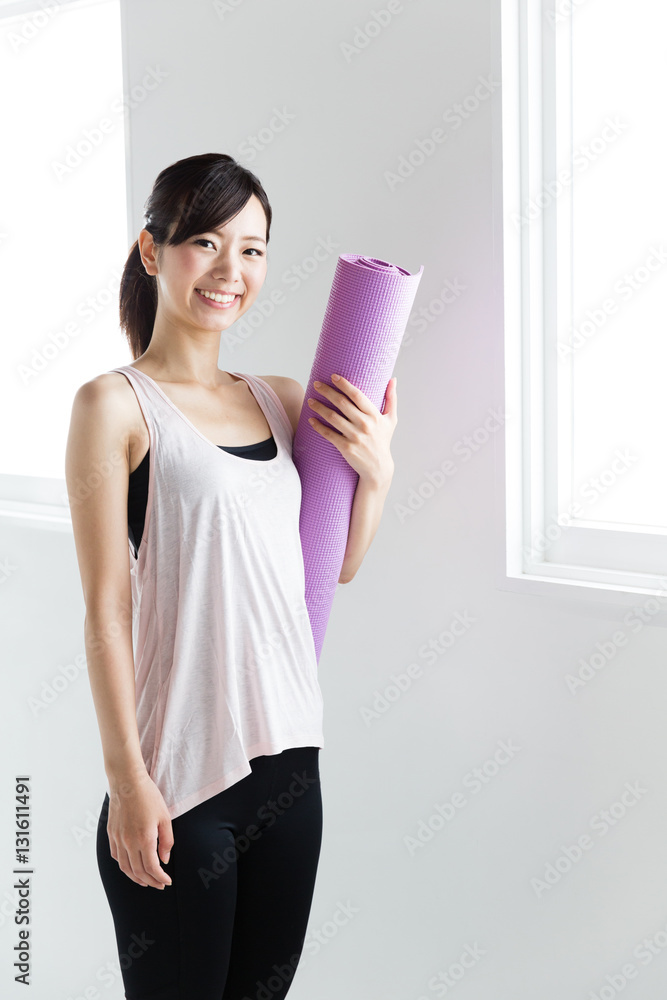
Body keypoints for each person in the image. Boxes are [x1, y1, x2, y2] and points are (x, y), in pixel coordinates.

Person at [65, 152, 398, 999]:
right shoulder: (114, 405)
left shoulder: (283, 398)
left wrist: (379, 473)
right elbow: (106, 611)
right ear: (152, 251)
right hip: (177, 781)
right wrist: (127, 785)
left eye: (252, 249)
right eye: (206, 242)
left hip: (291, 771)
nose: (230, 270)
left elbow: (332, 567)